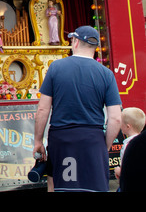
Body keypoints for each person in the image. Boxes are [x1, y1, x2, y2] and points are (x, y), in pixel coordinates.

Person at [33, 25, 122, 192]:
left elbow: (43, 110)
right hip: (92, 139)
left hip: (61, 138)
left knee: (59, 186)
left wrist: (38, 141)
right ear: (95, 48)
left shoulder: (56, 68)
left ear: (75, 42)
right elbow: (116, 118)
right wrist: (105, 146)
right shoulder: (107, 74)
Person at [114, 107, 145, 185]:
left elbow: (129, 169)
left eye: (121, 122)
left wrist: (118, 171)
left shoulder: (129, 146)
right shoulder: (142, 143)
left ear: (128, 126)